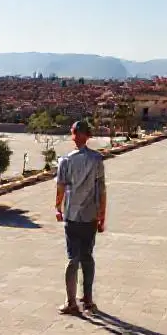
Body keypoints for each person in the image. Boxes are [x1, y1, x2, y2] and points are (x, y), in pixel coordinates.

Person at [55, 120, 106, 315]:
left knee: (72, 258)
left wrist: (57, 207)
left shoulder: (65, 161)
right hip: (90, 215)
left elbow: (60, 187)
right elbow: (101, 190)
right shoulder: (97, 159)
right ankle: (88, 299)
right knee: (88, 256)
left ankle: (71, 302)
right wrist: (102, 215)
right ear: (89, 136)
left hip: (72, 214)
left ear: (76, 134)